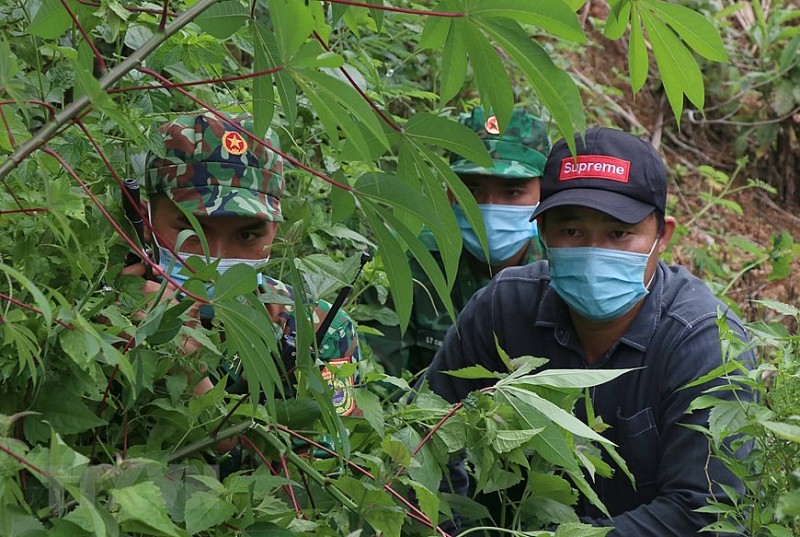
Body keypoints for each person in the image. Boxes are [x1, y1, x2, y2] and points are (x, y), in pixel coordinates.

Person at [423, 127, 755, 534]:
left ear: (662, 236)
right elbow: (430, 434)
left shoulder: (701, 341)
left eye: (619, 233)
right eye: (572, 231)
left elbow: (707, 511)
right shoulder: (503, 309)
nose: (595, 251)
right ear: (542, 232)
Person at [122, 112, 360, 420]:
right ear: (145, 220)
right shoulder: (110, 315)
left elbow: (327, 460)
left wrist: (191, 376)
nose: (218, 257)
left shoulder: (320, 329)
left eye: (247, 235)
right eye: (193, 231)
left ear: (275, 230)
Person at [367, 107, 551, 376]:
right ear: (449, 192)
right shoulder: (407, 258)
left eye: (512, 192)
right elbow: (380, 382)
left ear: (544, 194)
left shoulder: (563, 269)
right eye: (471, 190)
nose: (487, 209)